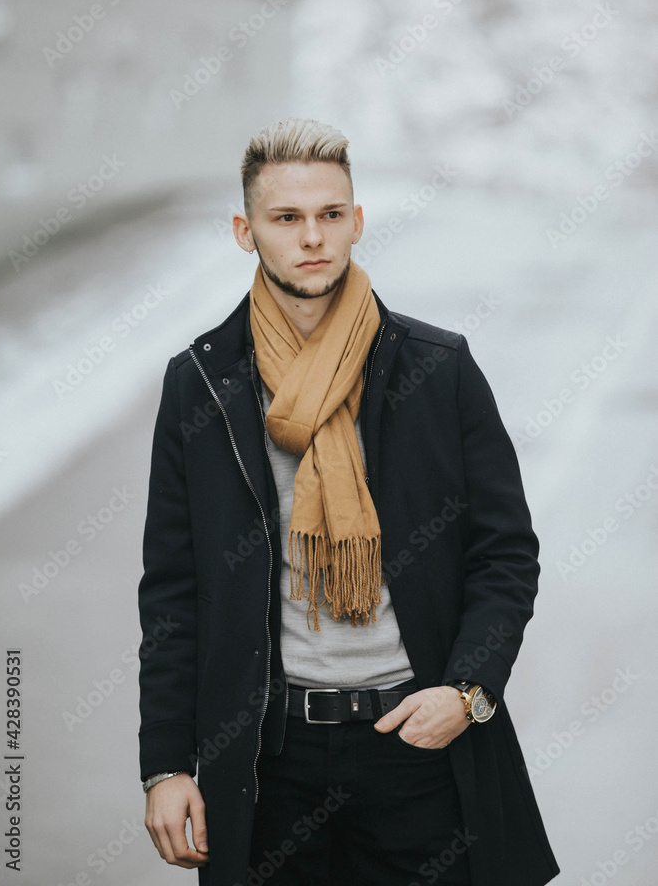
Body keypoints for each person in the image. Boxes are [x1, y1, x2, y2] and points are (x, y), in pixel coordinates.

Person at [137, 117, 561, 886]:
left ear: (357, 221)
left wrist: (467, 692)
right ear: (245, 230)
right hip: (269, 760)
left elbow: (504, 553)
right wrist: (165, 764)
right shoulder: (200, 384)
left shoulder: (436, 368)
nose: (312, 238)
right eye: (286, 218)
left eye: (331, 215)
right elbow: (172, 594)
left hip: (416, 747)